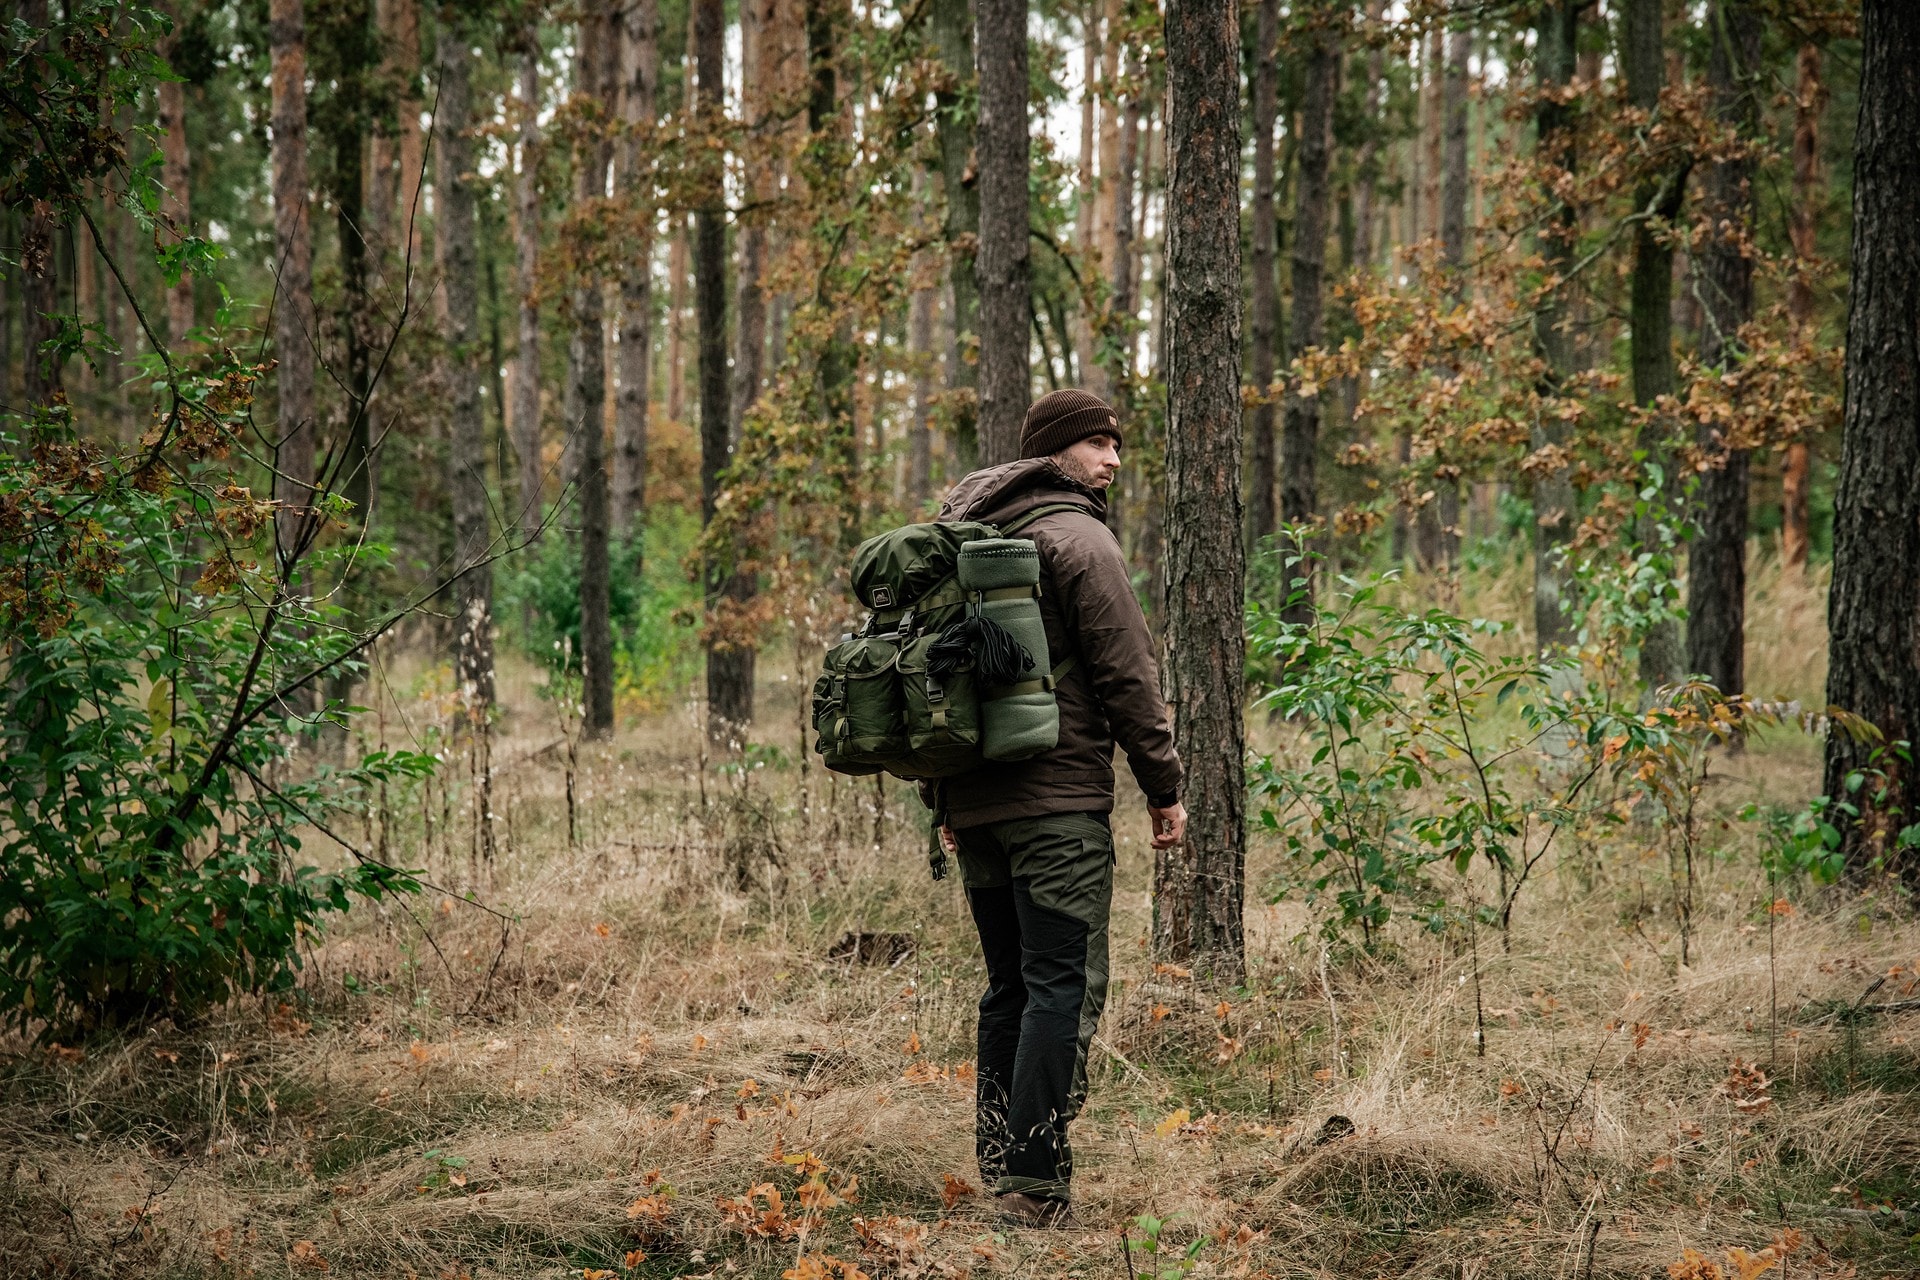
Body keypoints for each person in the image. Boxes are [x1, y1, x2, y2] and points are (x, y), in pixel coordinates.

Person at [927, 388, 1186, 1228]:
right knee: (1057, 988)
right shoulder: (1079, 538)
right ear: (1054, 451)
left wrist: (942, 796)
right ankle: (1033, 1187)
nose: (1113, 460)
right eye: (1098, 444)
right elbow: (1127, 672)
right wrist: (1163, 785)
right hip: (1057, 809)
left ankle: (1002, 1163)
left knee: (1009, 987)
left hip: (975, 805)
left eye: (1117, 445)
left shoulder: (968, 534)